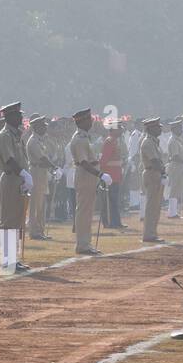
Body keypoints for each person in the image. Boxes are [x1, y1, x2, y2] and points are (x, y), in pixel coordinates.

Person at [0, 101, 32, 274]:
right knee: (9, 220)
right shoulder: (5, 136)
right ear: (9, 117)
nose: (21, 118)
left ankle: (13, 259)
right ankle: (8, 260)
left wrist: (23, 175)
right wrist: (23, 173)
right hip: (10, 178)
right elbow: (9, 160)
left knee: (17, 220)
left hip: (18, 178)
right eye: (18, 115)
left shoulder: (16, 135)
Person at [69, 108, 105, 254]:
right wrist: (100, 174)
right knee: (84, 211)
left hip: (88, 175)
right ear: (82, 121)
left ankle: (86, 243)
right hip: (85, 175)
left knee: (87, 211)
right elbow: (84, 162)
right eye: (89, 119)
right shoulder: (79, 139)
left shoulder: (85, 137)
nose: (92, 121)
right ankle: (82, 245)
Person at [24, 114, 54, 241]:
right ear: (36, 127)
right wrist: (54, 167)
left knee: (41, 203)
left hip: (41, 172)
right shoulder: (33, 141)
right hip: (36, 171)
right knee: (35, 203)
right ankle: (34, 231)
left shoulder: (40, 140)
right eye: (42, 126)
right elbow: (42, 158)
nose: (45, 129)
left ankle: (40, 230)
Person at [138, 117, 166, 242]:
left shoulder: (153, 141)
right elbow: (154, 160)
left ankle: (152, 233)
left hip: (155, 173)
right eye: (157, 127)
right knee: (152, 206)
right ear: (150, 129)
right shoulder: (148, 142)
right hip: (152, 172)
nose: (160, 129)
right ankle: (149, 234)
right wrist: (163, 172)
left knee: (156, 205)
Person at [164, 118, 183, 218]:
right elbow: (175, 156)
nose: (181, 130)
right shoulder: (173, 140)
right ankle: (171, 212)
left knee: (177, 189)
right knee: (174, 189)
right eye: (179, 128)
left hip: (179, 167)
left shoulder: (177, 140)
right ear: (174, 129)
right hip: (175, 166)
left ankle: (174, 211)